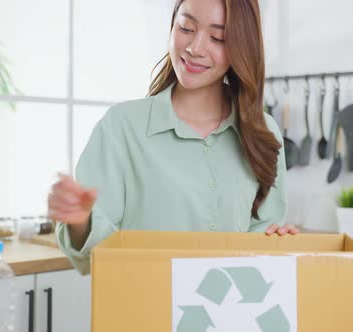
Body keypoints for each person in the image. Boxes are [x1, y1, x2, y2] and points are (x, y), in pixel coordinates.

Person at [48, 0, 298, 275]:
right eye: (186, 27)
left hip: (229, 314)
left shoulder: (264, 132)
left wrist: (275, 242)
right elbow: (97, 252)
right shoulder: (122, 126)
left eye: (218, 37)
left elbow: (260, 240)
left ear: (242, 47)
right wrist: (80, 220)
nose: (194, 48)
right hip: (143, 310)